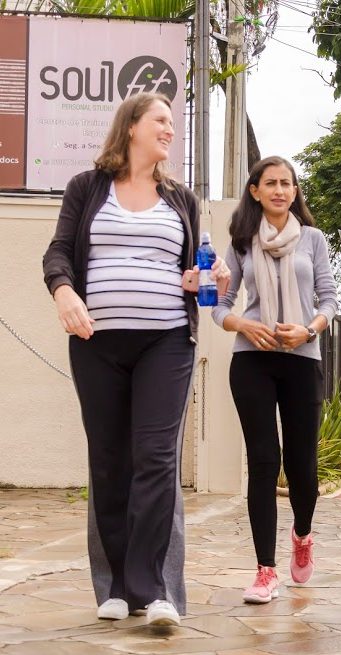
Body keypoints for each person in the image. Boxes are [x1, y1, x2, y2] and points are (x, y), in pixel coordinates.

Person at [41, 91, 229, 626]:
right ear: (131, 128)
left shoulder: (180, 198)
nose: (171, 130)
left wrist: (202, 281)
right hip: (97, 343)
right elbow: (59, 251)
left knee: (155, 459)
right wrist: (64, 291)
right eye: (162, 121)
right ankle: (116, 587)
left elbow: (194, 270)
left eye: (173, 123)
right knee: (109, 461)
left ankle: (156, 590)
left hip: (166, 341)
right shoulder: (87, 188)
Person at [212, 156, 338, 604]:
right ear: (256, 191)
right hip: (252, 359)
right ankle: (265, 570)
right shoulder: (242, 243)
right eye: (271, 183)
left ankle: (302, 535)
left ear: (294, 191)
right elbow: (220, 305)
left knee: (302, 464)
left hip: (303, 358)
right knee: (264, 461)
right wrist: (244, 326)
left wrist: (309, 328)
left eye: (287, 183)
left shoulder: (314, 240)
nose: (280, 190)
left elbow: (329, 299)